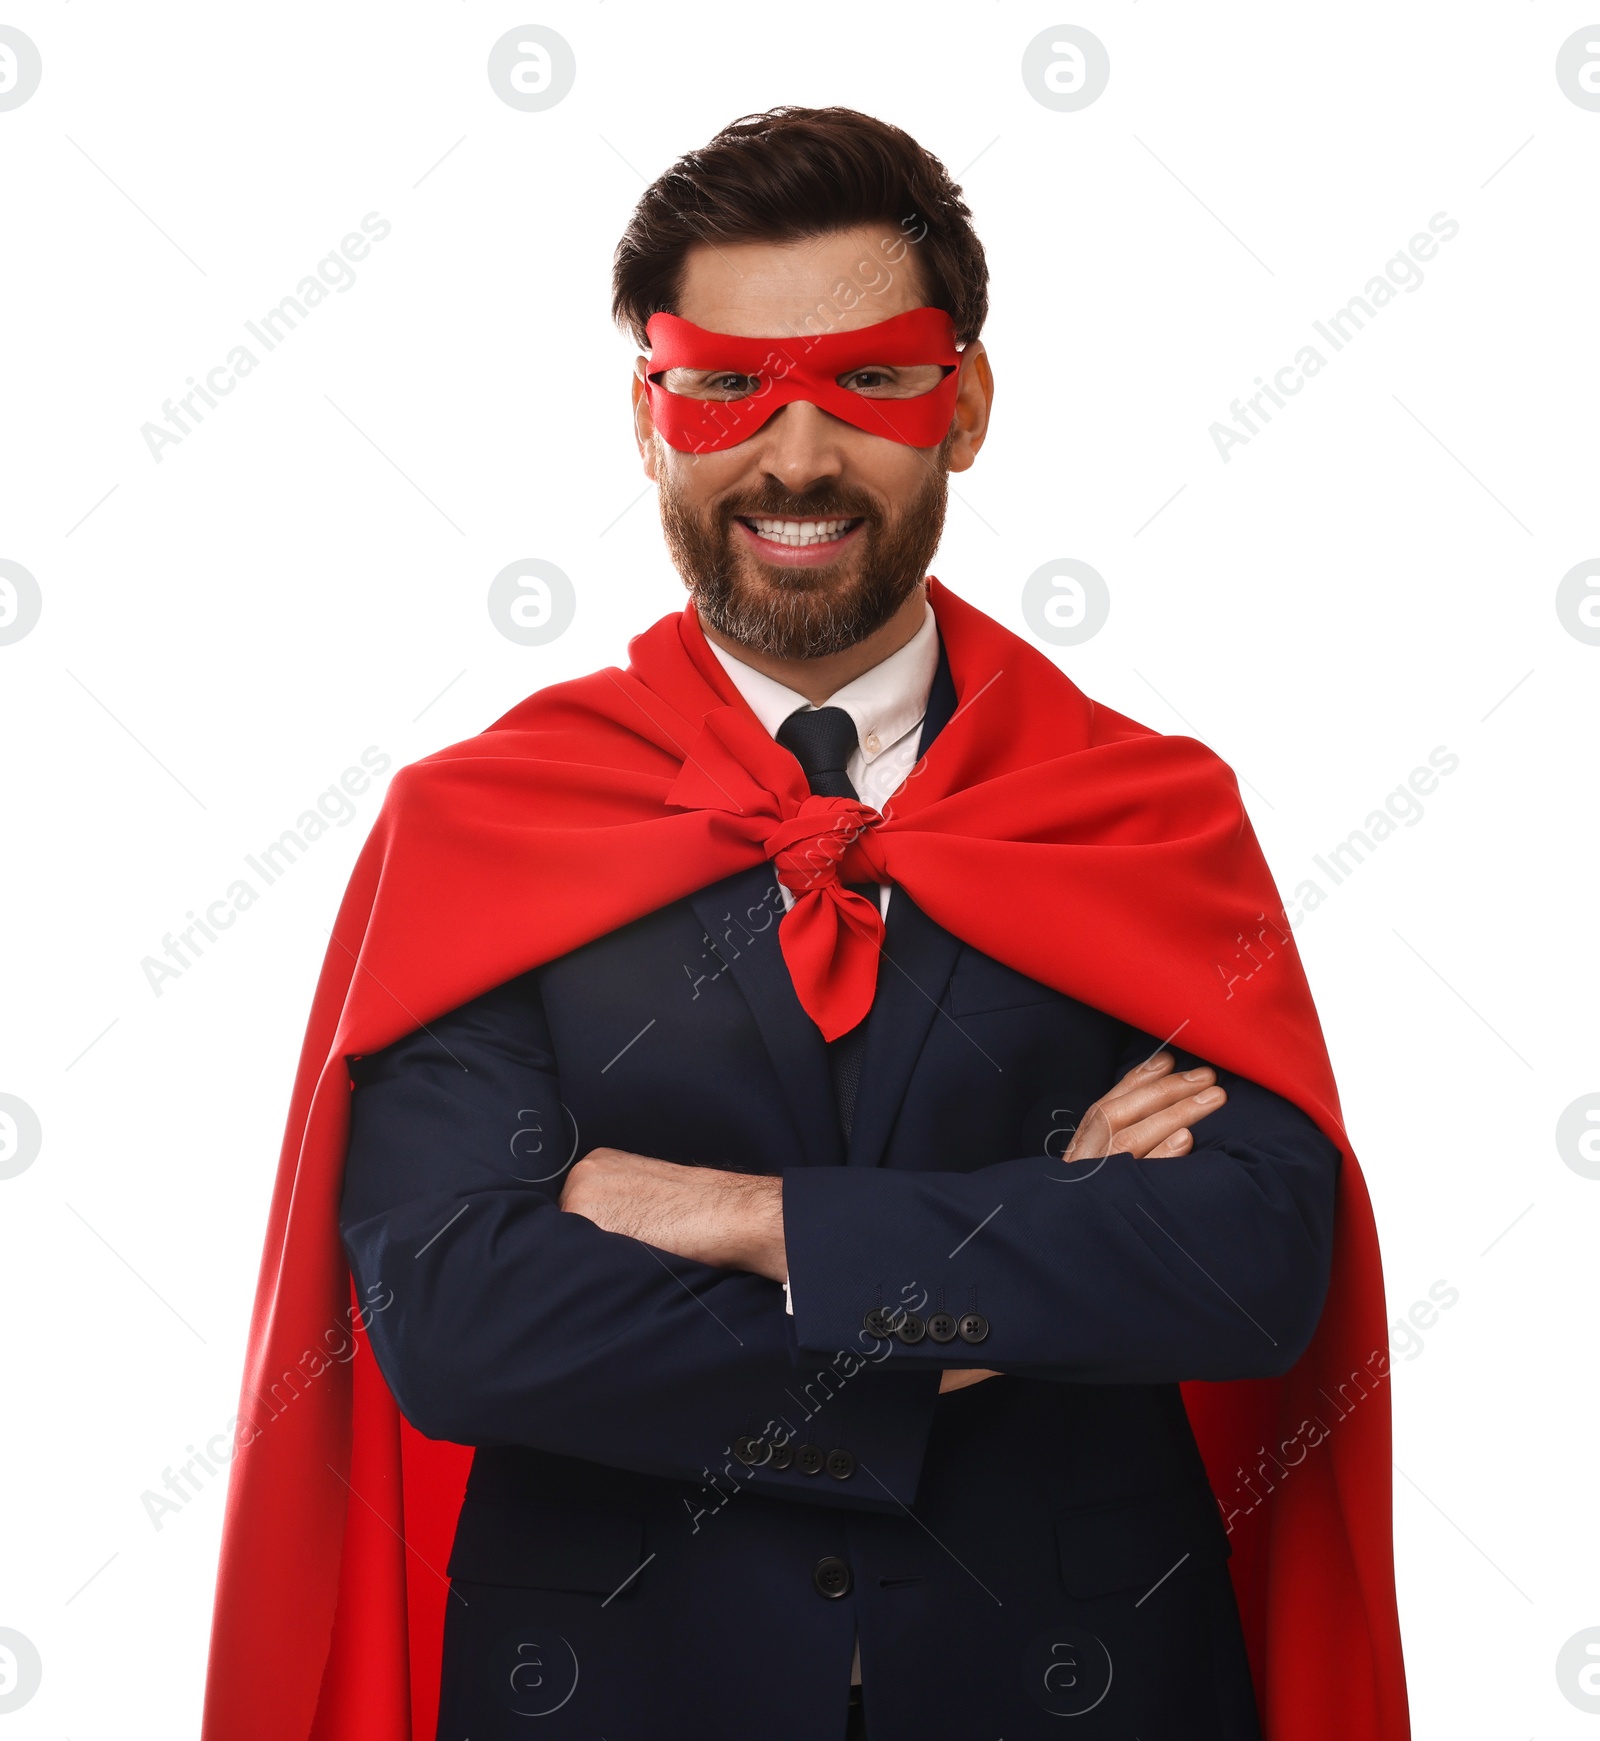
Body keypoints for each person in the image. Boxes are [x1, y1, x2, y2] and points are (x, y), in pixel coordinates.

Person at [202, 108, 1409, 1741]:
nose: (794, 454)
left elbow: (1254, 1260)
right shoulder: (491, 820)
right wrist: (1015, 1272)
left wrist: (743, 1216)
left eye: (871, 382)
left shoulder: (1139, 810)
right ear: (649, 416)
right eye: (724, 387)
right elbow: (459, 1318)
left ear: (964, 405)